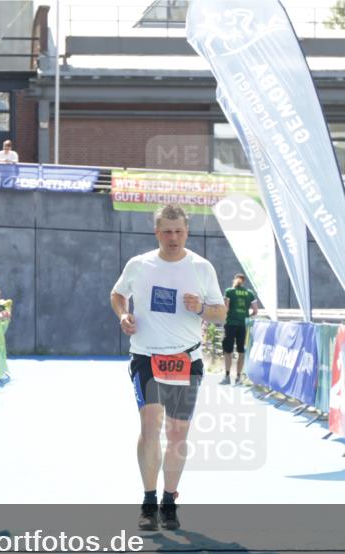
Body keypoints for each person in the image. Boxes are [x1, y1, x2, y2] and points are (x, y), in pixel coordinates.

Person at [110, 204, 226, 531]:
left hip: (186, 360)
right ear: (156, 232)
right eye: (166, 231)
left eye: (179, 231)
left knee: (177, 434)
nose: (173, 238)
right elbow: (118, 295)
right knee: (150, 426)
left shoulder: (202, 268)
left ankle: (169, 500)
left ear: (187, 232)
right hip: (146, 356)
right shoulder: (139, 264)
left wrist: (201, 308)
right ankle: (148, 501)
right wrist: (123, 315)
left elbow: (220, 313)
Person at [220, 273, 258, 385]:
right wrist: (246, 316)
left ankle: (227, 376)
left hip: (230, 324)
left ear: (234, 280)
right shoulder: (249, 293)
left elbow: (226, 308)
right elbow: (255, 311)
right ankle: (238, 377)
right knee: (241, 351)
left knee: (228, 351)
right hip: (243, 325)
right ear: (244, 281)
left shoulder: (229, 291)